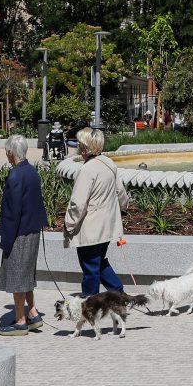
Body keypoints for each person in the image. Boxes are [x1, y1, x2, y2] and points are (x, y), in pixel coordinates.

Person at [63, 126, 127, 297]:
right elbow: (121, 193)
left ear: (85, 147)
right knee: (99, 262)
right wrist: (123, 209)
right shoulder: (109, 163)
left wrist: (69, 224)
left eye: (79, 143)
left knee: (90, 267)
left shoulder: (86, 170)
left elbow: (78, 203)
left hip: (90, 229)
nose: (77, 147)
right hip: (107, 227)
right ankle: (118, 293)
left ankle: (90, 304)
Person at [0, 135, 46, 336]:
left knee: (18, 276)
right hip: (33, 230)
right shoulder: (32, 171)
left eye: (6, 152)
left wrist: (6, 240)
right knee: (26, 274)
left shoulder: (15, 176)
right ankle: (33, 313)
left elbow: (11, 213)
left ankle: (20, 320)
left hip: (20, 233)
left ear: (10, 152)